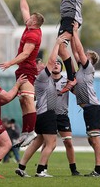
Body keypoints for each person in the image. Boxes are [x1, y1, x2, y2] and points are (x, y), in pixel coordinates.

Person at [26, 0, 84, 94]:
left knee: (62, 47)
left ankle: (72, 78)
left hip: (72, 19)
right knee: (60, 48)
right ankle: (73, 76)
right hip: (65, 20)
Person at [0, 0, 44, 148]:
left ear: (36, 23)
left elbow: (25, 54)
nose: (28, 19)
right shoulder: (29, 25)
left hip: (27, 69)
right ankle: (26, 132)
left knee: (27, 99)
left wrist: (10, 63)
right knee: (22, 101)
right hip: (22, 69)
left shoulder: (33, 35)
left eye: (31, 19)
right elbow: (25, 8)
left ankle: (31, 131)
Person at [15, 35, 66, 178]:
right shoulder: (42, 77)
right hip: (47, 113)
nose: (43, 65)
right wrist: (56, 43)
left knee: (38, 141)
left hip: (40, 114)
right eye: (39, 64)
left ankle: (21, 167)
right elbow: (51, 61)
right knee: (52, 143)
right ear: (36, 68)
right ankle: (41, 170)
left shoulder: (40, 79)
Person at [71, 21, 100, 177]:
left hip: (93, 108)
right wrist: (71, 36)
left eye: (86, 55)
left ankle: (98, 170)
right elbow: (75, 51)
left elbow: (79, 50)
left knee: (95, 140)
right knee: (91, 140)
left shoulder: (88, 67)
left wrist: (75, 31)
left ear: (90, 59)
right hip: (88, 108)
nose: (83, 55)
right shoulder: (81, 70)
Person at [43, 57, 80, 176]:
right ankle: (43, 168)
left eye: (58, 63)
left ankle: (74, 170)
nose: (56, 65)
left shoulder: (66, 81)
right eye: (53, 63)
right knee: (47, 144)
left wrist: (76, 84)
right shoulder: (44, 81)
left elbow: (77, 93)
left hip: (62, 116)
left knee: (68, 143)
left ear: (61, 67)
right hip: (48, 115)